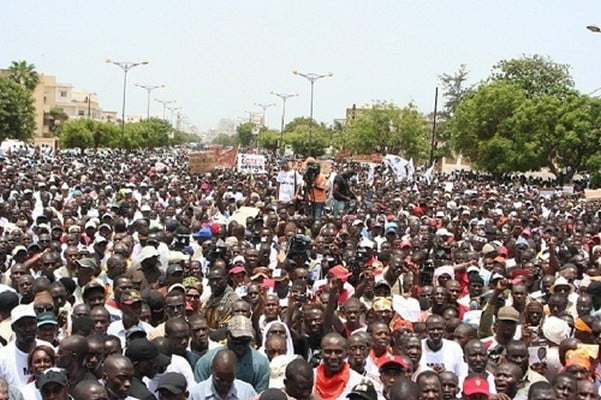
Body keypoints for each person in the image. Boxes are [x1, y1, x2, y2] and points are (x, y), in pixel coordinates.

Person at [194, 315, 270, 392]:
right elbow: (199, 392)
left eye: (245, 340)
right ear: (227, 334)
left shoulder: (261, 363)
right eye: (237, 339)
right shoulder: (206, 361)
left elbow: (260, 394)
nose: (240, 344)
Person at [313, 333, 381, 400]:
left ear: (346, 354)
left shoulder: (359, 382)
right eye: (328, 352)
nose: (333, 356)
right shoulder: (310, 378)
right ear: (321, 353)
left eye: (338, 352)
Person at [0, 304, 53, 388]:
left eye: (31, 323)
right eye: (21, 325)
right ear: (13, 328)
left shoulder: (47, 348)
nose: (28, 329)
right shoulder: (3, 356)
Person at [189, 349, 256, 400]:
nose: (224, 383)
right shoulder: (196, 394)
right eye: (220, 379)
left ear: (236, 371)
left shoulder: (247, 392)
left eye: (229, 379)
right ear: (212, 370)